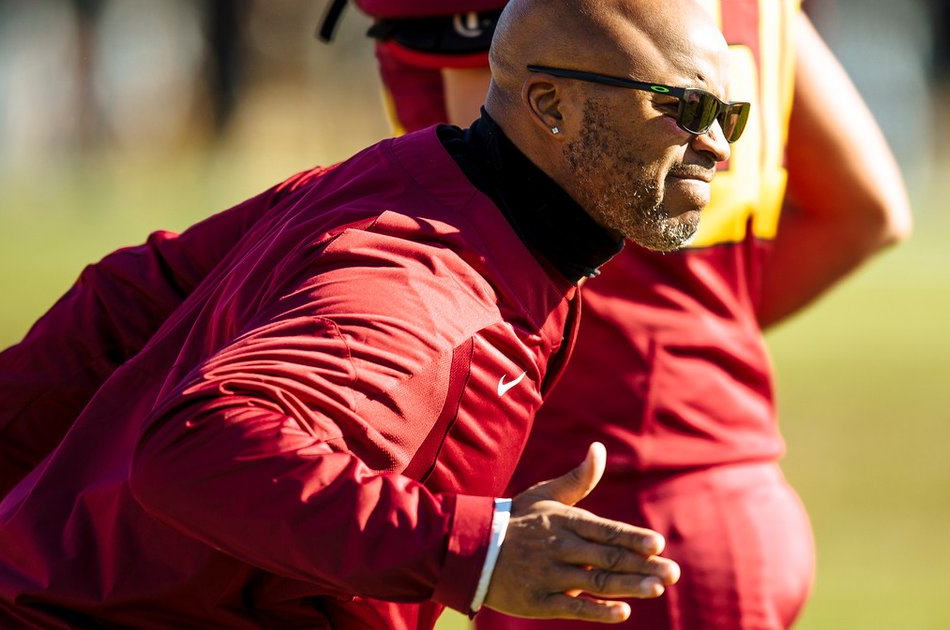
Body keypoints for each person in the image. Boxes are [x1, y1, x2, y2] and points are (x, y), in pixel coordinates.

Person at [0, 0, 748, 626]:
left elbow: (124, 302)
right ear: (552, 105)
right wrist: (472, 549)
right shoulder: (427, 290)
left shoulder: (409, 181)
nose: (717, 142)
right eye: (682, 106)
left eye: (729, 112)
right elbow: (198, 444)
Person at [354, 0, 913, 628]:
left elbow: (504, 230)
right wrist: (687, 351)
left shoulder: (542, 18)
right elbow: (867, 211)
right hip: (732, 491)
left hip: (607, 510)